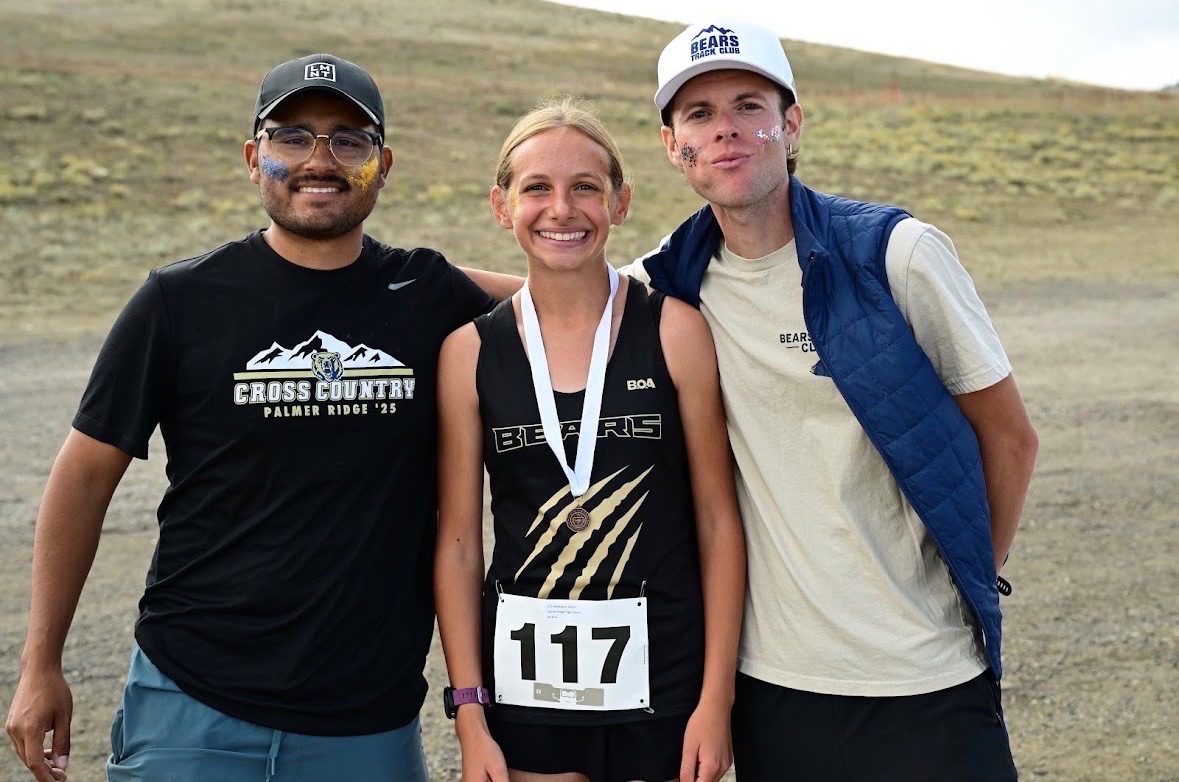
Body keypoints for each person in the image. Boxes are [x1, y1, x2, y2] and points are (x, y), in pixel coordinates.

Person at [465, 18, 1040, 781]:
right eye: (698, 115)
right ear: (674, 147)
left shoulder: (896, 255)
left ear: (790, 123)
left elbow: (1009, 440)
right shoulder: (673, 281)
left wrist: (967, 575)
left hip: (922, 673)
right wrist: (392, 280)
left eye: (747, 105)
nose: (726, 130)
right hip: (770, 686)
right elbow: (557, 291)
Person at [5, 53, 497, 782]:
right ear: (253, 155)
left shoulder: (428, 293)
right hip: (189, 705)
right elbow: (81, 479)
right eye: (291, 137)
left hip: (367, 723)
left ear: (383, 164)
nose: (319, 160)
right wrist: (40, 663)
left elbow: (579, 302)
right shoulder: (177, 301)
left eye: (348, 140)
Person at [433, 96, 746, 782]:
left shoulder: (674, 330)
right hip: (526, 690)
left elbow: (719, 523)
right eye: (536, 188)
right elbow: (458, 543)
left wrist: (714, 700)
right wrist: (468, 713)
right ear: (501, 204)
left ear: (620, 201)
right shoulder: (467, 354)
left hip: (663, 679)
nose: (561, 209)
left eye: (585, 188)